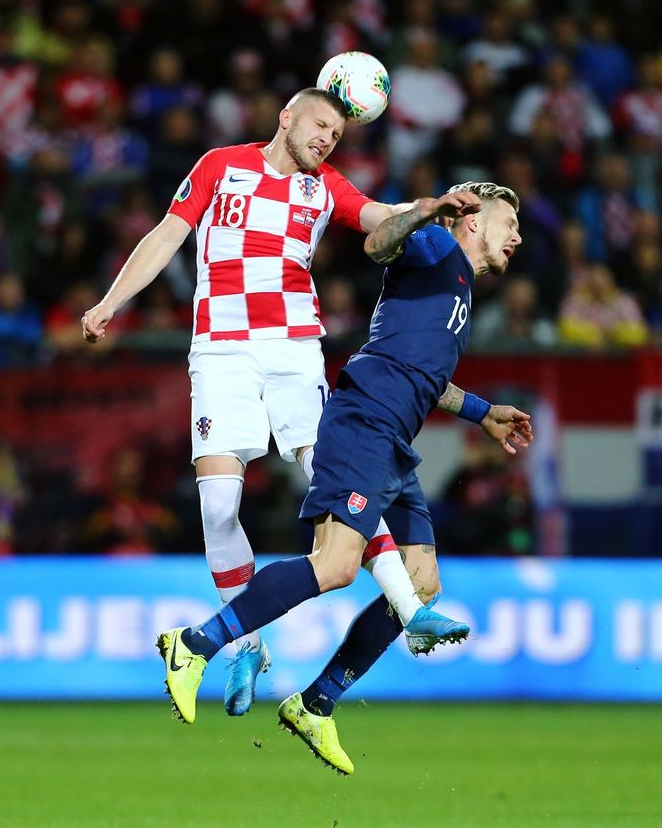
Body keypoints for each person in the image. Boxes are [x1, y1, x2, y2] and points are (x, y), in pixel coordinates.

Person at [82, 87, 469, 718]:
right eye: (318, 126)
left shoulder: (327, 189)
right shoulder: (219, 165)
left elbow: (379, 218)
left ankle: (410, 610)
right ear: (285, 117)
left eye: (336, 135)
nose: (325, 139)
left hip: (293, 349)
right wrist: (110, 303)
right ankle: (248, 648)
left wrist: (425, 208)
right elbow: (165, 236)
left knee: (338, 478)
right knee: (217, 508)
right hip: (220, 352)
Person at [156, 181, 532, 773]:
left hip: (393, 439)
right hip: (362, 423)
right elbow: (378, 244)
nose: (516, 237)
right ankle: (197, 642)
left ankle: (317, 702)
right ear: (474, 223)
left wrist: (484, 413)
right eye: (508, 222)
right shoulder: (434, 244)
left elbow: (422, 377)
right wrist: (425, 209)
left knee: (422, 583)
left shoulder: (458, 289)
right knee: (334, 566)